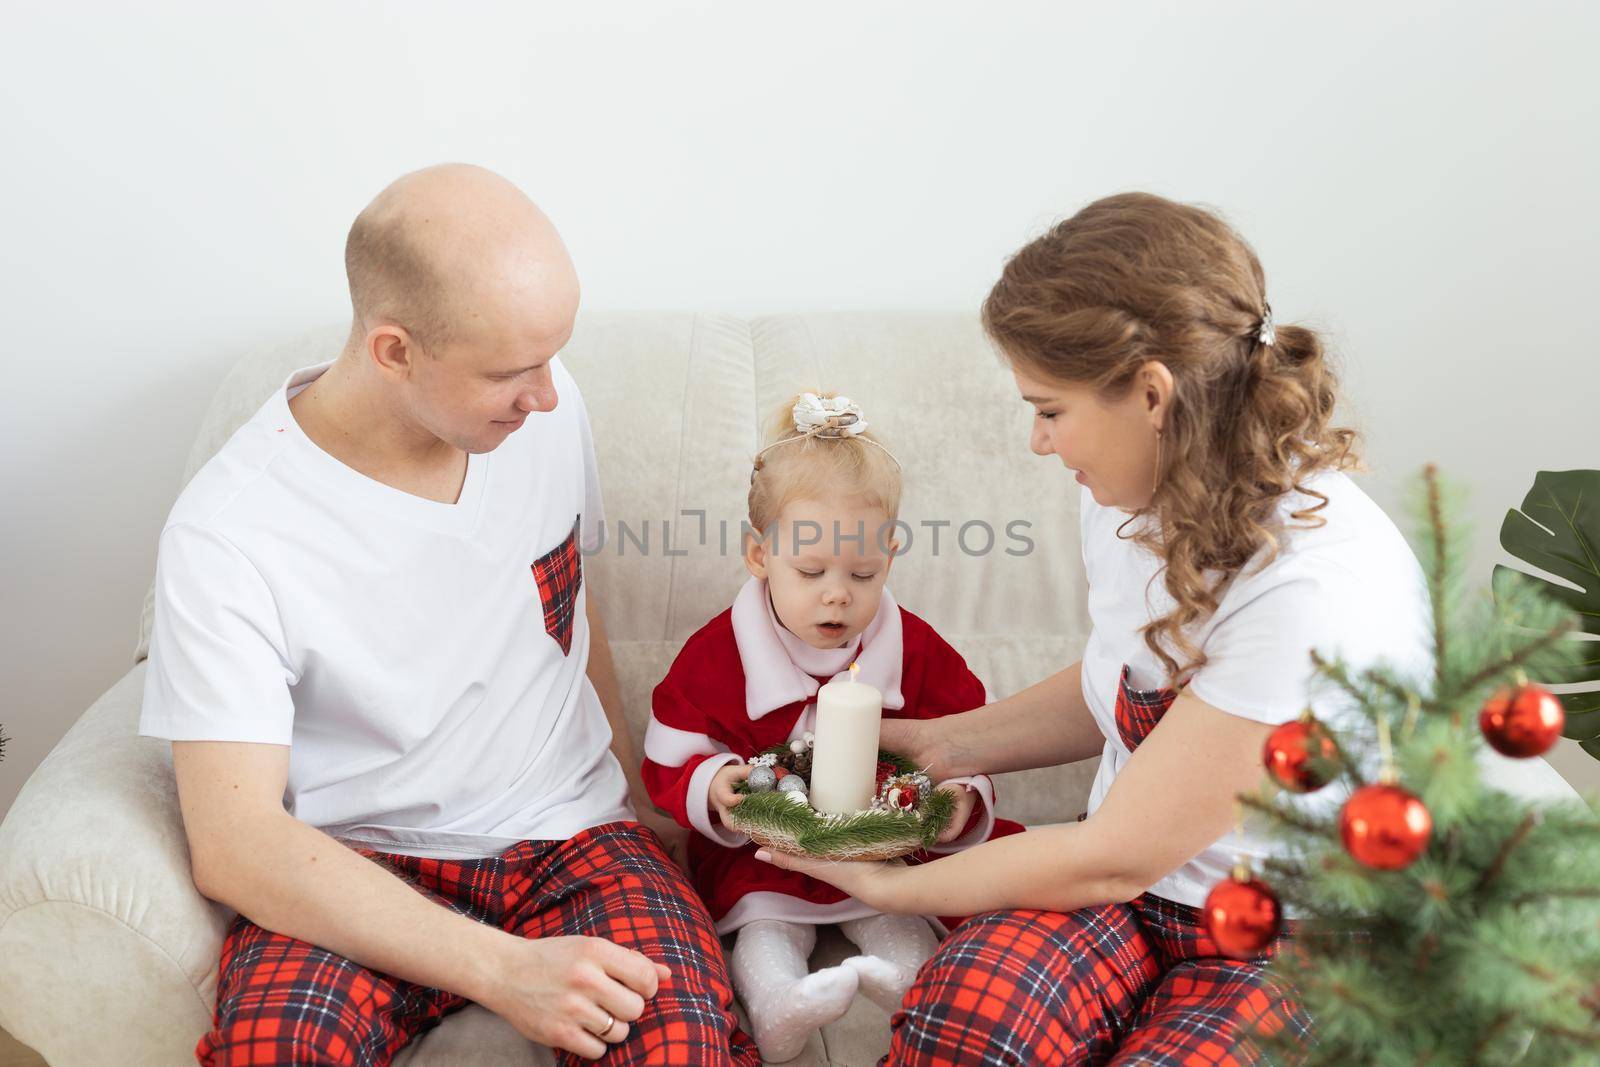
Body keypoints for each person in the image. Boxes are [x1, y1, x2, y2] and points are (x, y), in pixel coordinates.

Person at [757, 192, 1431, 1064]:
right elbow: (1124, 682)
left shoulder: (1313, 587)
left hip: (1282, 936)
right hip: (1136, 898)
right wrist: (943, 746)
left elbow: (1111, 856)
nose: (1039, 441)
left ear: (1152, 393)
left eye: (1050, 408)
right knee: (964, 1021)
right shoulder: (1123, 493)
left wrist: (877, 882)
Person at [139, 163, 758, 1066]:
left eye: (552, 359)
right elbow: (236, 845)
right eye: (512, 372)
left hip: (578, 834)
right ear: (393, 350)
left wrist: (635, 793)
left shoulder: (543, 406)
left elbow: (569, 615)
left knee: (684, 1047)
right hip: (357, 863)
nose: (546, 395)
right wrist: (506, 970)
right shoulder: (229, 532)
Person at [642, 393, 1024, 1062]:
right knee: (763, 922)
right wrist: (716, 786)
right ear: (760, 556)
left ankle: (907, 986)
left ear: (891, 555)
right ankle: (780, 1003)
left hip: (886, 853)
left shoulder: (918, 649)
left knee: (900, 914)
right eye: (811, 571)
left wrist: (960, 796)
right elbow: (672, 748)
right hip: (766, 857)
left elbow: (970, 732)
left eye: (863, 573)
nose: (837, 594)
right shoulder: (718, 653)